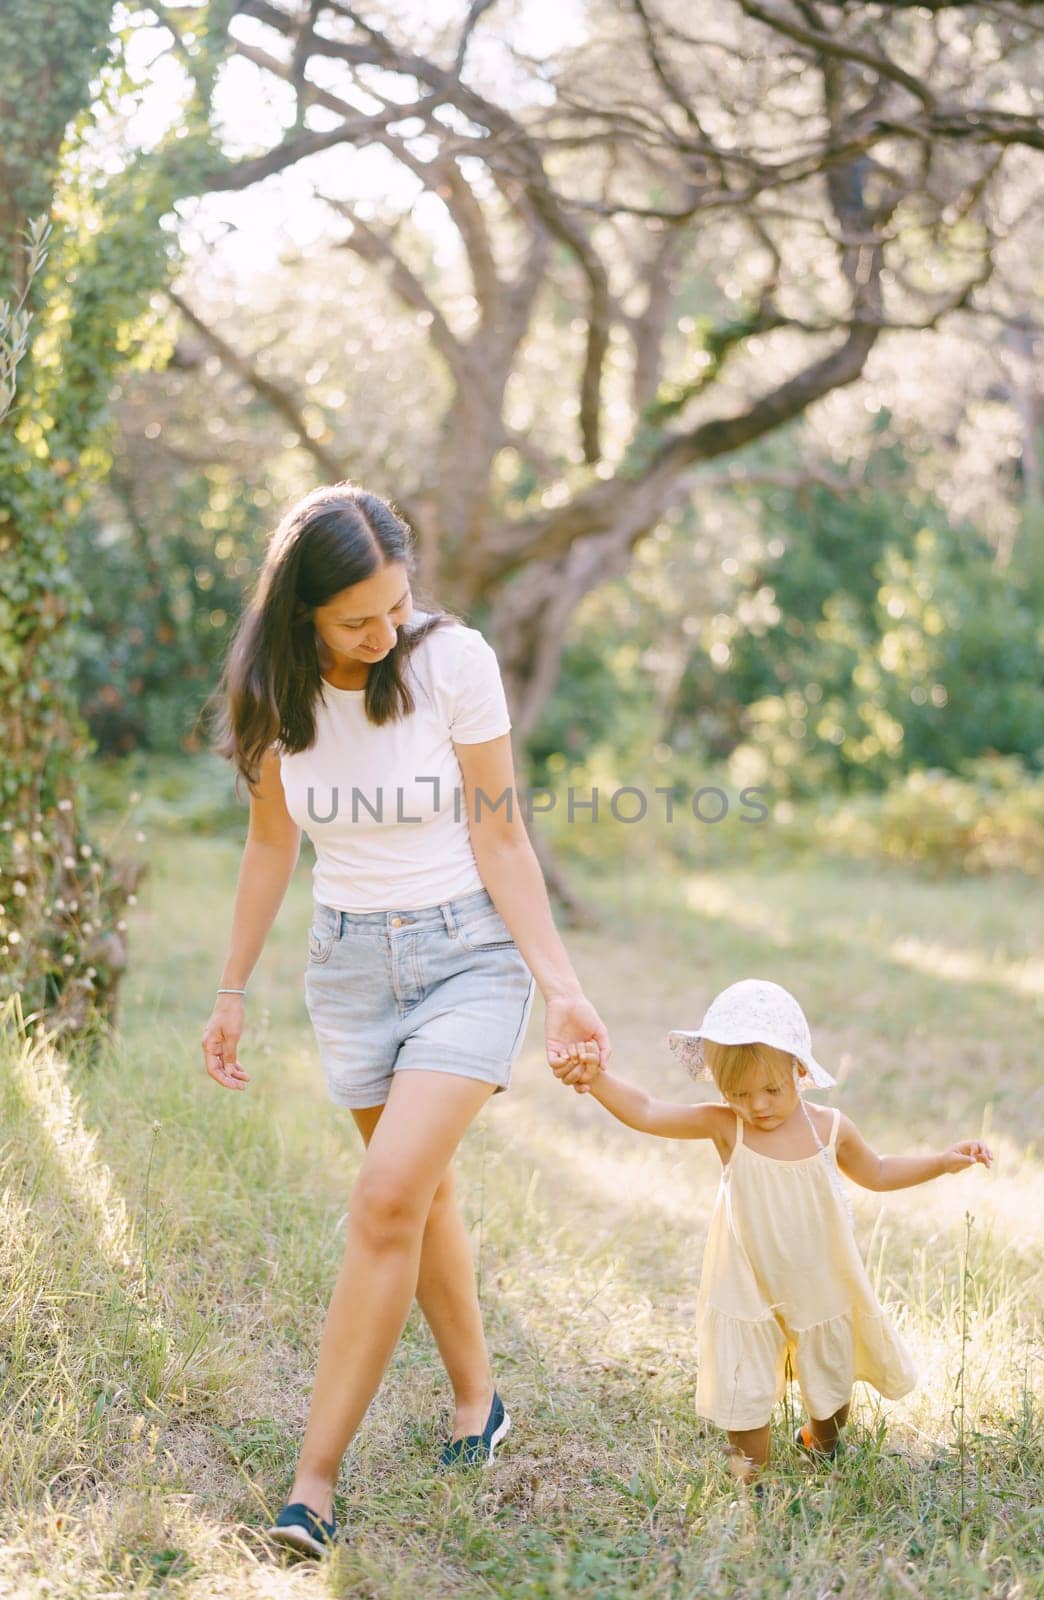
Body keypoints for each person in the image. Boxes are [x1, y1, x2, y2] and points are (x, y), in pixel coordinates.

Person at [200, 483, 607, 1558]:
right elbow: (270, 849)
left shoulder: (451, 661)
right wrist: (231, 989)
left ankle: (311, 1486)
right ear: (300, 615)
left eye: (395, 605)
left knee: (385, 1198)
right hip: (347, 971)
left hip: (465, 956)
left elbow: (502, 834)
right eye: (355, 620)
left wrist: (558, 981)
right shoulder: (270, 698)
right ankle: (478, 1398)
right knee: (417, 1198)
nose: (383, 635)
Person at [550, 978, 993, 1486]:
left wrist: (941, 1162)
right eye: (738, 1093)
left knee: (832, 1399)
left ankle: (818, 1442)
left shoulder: (828, 1127)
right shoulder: (726, 1125)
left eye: (771, 1090)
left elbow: (879, 1171)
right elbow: (648, 1112)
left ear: (798, 1071)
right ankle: (749, 1479)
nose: (757, 1106)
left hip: (819, 1283)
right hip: (748, 1285)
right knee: (746, 1404)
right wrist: (596, 1079)